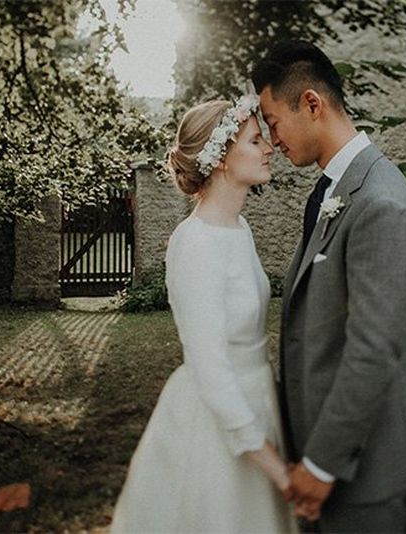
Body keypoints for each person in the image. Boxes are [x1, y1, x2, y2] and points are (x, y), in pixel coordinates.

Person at [251, 40, 406, 532]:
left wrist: (321, 464)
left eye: (273, 122)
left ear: (311, 104)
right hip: (323, 461)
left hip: (361, 475)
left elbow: (373, 348)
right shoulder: (335, 189)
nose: (273, 140)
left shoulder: (381, 203)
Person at [110, 96, 298, 533]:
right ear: (222, 160)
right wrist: (277, 469)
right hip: (216, 421)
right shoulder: (195, 244)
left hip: (258, 398)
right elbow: (210, 367)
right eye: (255, 140)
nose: (269, 147)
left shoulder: (239, 228)